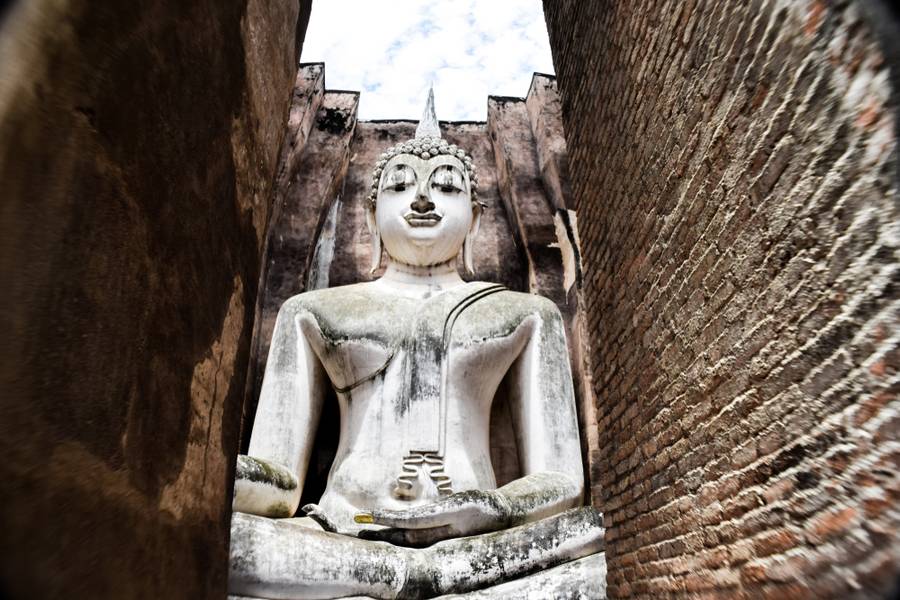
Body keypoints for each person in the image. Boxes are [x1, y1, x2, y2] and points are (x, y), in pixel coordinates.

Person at [228, 90, 604, 600]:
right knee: (234, 542)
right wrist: (227, 478)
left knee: (595, 537)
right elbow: (281, 486)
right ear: (371, 214)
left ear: (474, 218)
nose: (422, 199)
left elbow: (560, 480)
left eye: (445, 188)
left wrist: (495, 507)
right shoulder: (312, 310)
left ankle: (416, 576)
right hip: (347, 529)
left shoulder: (527, 314)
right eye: (400, 186)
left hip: (478, 544)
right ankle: (411, 576)